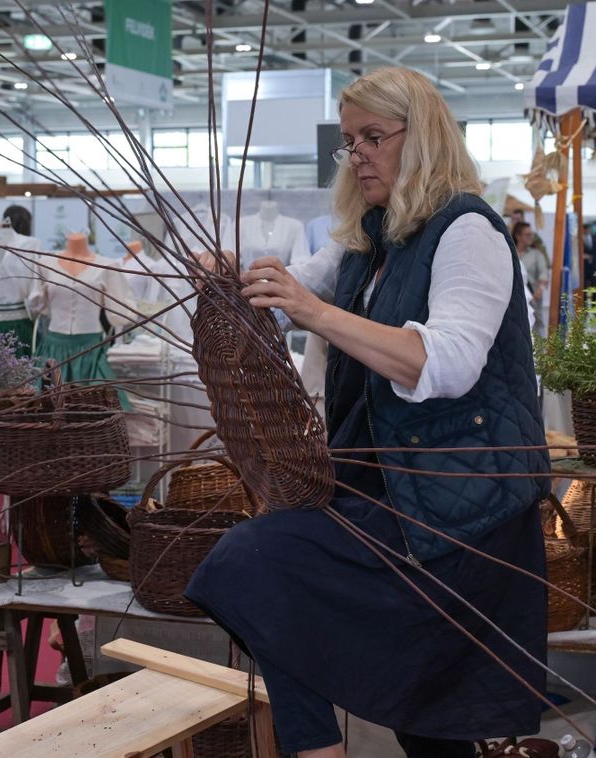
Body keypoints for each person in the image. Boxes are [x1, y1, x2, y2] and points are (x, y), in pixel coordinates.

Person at [186, 67, 550, 758]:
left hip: (459, 513)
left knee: (427, 714)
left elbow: (445, 361)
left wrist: (314, 313)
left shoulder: (467, 229)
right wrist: (229, 278)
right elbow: (293, 286)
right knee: (254, 572)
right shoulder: (368, 236)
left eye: (372, 137)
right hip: (385, 494)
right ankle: (317, 747)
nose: (357, 154)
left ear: (423, 137)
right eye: (349, 141)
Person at [513, 221, 550, 337]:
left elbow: (543, 273)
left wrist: (541, 288)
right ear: (518, 236)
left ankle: (541, 352)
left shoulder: (536, 254)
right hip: (515, 298)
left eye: (531, 234)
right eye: (527, 234)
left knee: (537, 324)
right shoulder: (510, 252)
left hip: (533, 297)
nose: (530, 237)